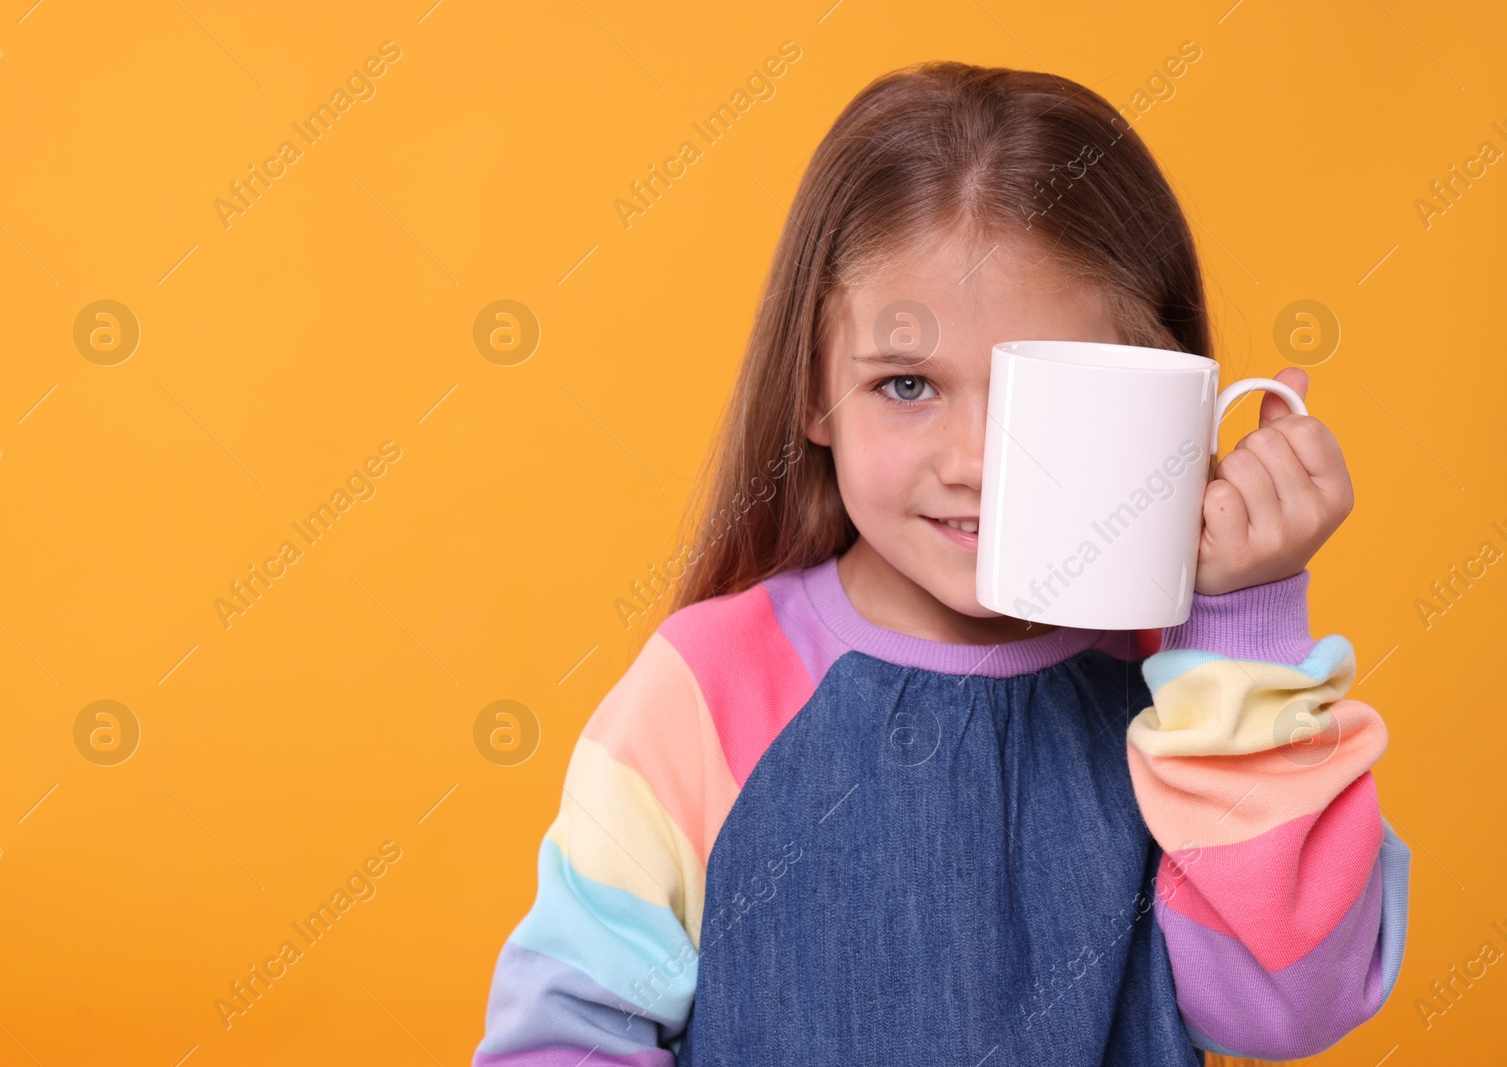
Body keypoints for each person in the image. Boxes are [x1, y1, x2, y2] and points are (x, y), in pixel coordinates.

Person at [471, 61, 1411, 1065]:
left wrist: (1241, 636)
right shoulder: (707, 689)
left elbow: (1288, 1009)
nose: (974, 462)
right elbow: (564, 1030)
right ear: (813, 392)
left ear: (1153, 390)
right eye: (907, 383)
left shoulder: (1184, 694)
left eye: (1034, 390)